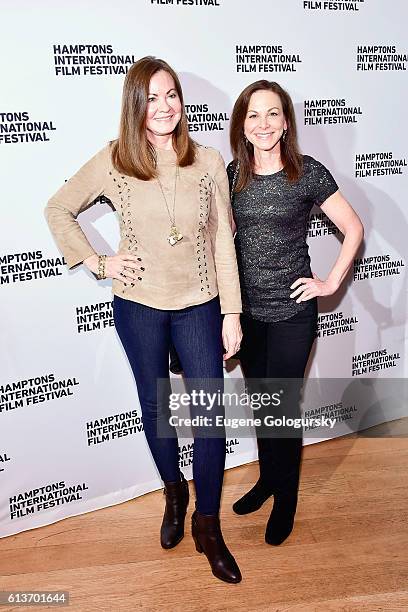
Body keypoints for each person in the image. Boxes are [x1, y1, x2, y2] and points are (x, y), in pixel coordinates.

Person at [45, 56, 243, 584]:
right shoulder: (116, 159)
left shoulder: (206, 160)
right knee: (156, 407)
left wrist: (232, 311)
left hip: (199, 301)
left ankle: (208, 525)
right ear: (136, 103)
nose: (164, 106)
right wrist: (98, 260)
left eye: (172, 94)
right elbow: (58, 208)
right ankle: (173, 495)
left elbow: (223, 239)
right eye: (152, 97)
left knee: (210, 420)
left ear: (182, 101)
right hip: (138, 304)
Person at [227, 80, 364, 546]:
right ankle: (268, 480)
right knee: (264, 408)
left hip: (292, 314)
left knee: (281, 410)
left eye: (272, 114)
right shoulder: (232, 175)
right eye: (253, 115)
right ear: (242, 127)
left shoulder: (307, 172)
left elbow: (353, 228)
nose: (262, 123)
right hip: (247, 315)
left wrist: (330, 283)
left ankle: (286, 498)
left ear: (285, 122)